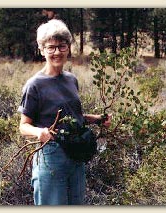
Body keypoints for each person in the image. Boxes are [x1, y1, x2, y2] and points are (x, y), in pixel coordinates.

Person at [18, 19, 111, 205]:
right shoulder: (34, 85)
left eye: (62, 46)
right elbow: (23, 126)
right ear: (42, 50)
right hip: (51, 156)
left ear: (68, 48)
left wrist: (98, 119)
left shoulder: (71, 80)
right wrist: (39, 132)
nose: (57, 52)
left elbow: (74, 117)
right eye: (51, 47)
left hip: (76, 155)